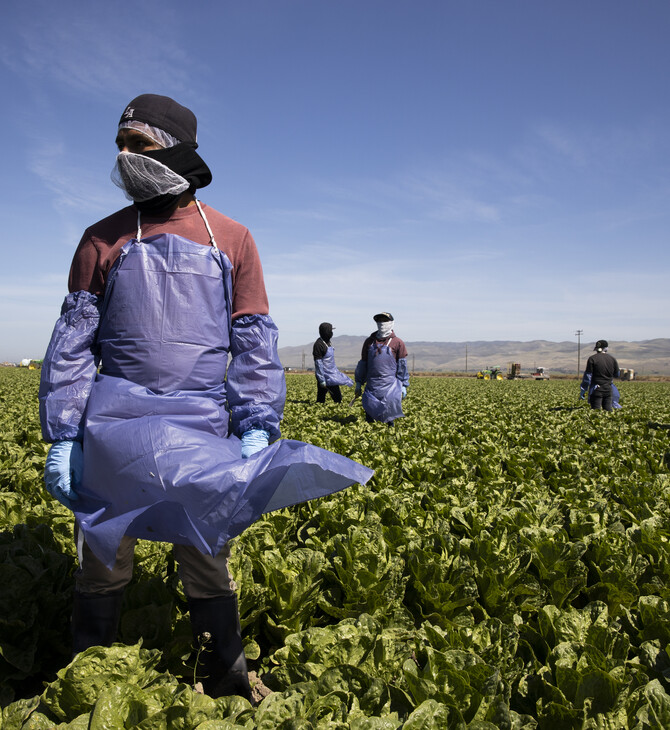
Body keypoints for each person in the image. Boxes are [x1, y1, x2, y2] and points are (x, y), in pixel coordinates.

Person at [38, 94, 372, 700]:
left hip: (200, 422)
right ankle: (89, 680)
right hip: (114, 422)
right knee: (103, 553)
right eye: (120, 145)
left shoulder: (234, 239)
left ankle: (226, 673)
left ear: (176, 147)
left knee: (205, 548)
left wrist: (255, 421)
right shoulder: (101, 239)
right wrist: (65, 434)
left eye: (139, 145)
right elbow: (71, 344)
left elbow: (252, 340)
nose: (124, 157)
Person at [354, 312, 409, 425]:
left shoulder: (398, 342)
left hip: (390, 386)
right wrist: (359, 382)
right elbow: (363, 363)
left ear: (391, 323)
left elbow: (402, 366)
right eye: (379, 321)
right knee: (370, 411)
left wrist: (403, 384)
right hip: (372, 384)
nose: (382, 324)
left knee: (389, 414)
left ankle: (390, 434)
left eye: (385, 321)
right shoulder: (369, 342)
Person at [312, 322, 352, 403]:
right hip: (324, 375)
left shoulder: (328, 342)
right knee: (328, 397)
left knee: (335, 397)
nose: (331, 333)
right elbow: (318, 363)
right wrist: (321, 379)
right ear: (326, 331)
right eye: (330, 331)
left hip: (332, 374)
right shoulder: (318, 345)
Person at [579, 339, 620, 411]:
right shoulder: (612, 359)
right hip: (608, 389)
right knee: (608, 410)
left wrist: (583, 389)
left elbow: (587, 376)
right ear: (606, 348)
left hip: (596, 389)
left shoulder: (592, 359)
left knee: (596, 411)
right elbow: (617, 374)